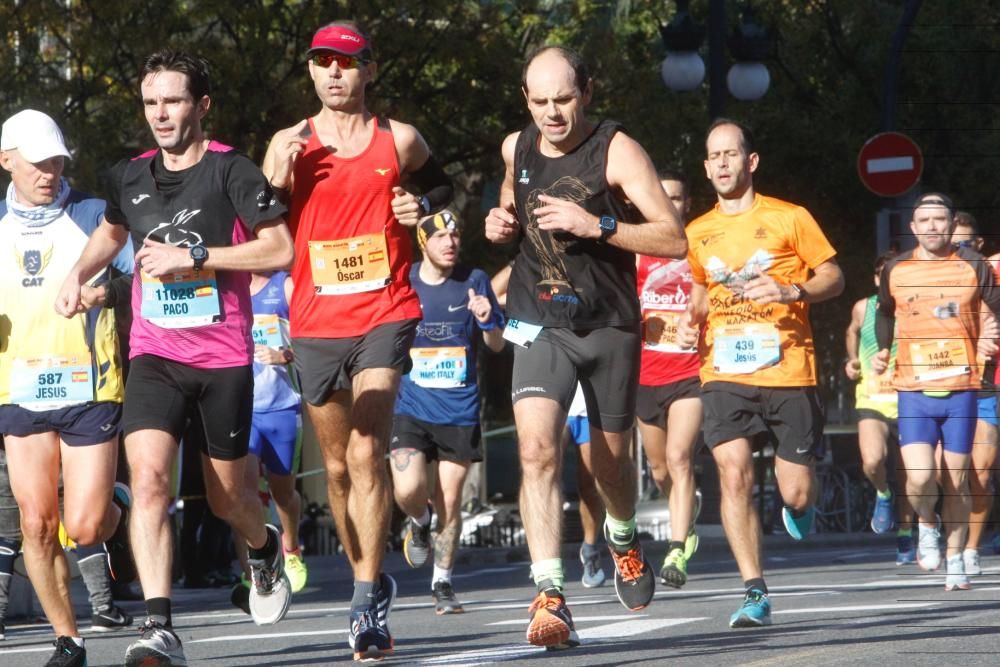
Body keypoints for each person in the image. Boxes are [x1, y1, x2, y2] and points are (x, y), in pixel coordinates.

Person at [55, 50, 295, 666]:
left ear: (201, 106)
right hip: (155, 353)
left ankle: (262, 547)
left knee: (227, 499)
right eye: (151, 102)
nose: (161, 114)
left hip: (223, 359)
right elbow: (112, 232)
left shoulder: (233, 171)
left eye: (174, 101)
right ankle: (159, 626)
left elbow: (279, 248)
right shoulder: (129, 176)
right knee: (152, 483)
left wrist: (196, 260)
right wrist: (77, 273)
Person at [262, 20, 453, 662]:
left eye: (346, 62)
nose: (334, 73)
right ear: (311, 72)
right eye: (322, 63)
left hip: (386, 311)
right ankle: (369, 575)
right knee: (339, 469)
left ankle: (365, 602)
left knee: (370, 452)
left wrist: (420, 210)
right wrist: (274, 181)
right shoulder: (289, 144)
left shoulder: (397, 139)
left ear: (368, 69)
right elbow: (263, 225)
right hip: (315, 321)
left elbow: (443, 188)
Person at [485, 45, 687, 649]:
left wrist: (596, 224)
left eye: (564, 99)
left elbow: (673, 240)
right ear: (526, 99)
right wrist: (500, 224)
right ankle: (548, 593)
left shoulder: (616, 150)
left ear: (587, 93)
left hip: (608, 324)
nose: (552, 113)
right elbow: (510, 208)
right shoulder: (514, 146)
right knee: (538, 451)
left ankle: (623, 537)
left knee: (608, 463)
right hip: (538, 321)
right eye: (540, 101)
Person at [677, 118, 844, 628]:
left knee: (793, 490)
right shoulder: (696, 232)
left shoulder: (790, 218)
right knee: (733, 474)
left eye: (732, 154)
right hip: (724, 370)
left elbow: (833, 276)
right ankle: (754, 590)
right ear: (707, 168)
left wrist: (793, 291)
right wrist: (691, 320)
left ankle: (800, 504)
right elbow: (702, 290)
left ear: (751, 161)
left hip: (788, 369)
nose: (723, 163)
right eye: (714, 156)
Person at [0, 109, 135, 666]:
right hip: (18, 389)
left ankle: (115, 507)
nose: (49, 172)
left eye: (57, 161)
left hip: (89, 384)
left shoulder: (92, 216)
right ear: (7, 160)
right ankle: (68, 639)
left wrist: (107, 293)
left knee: (81, 527)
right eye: (37, 163)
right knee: (36, 523)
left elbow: (142, 272)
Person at [874, 192, 1000, 591]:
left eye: (940, 220)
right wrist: (881, 351)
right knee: (920, 475)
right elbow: (882, 312)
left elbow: (994, 307)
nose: (932, 227)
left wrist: (989, 335)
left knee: (957, 478)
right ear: (912, 227)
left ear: (951, 225)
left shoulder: (973, 265)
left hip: (963, 387)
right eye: (924, 220)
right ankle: (926, 524)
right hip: (913, 389)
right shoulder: (896, 269)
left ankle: (955, 558)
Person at [390, 210, 504, 615]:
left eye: (455, 235)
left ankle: (442, 583)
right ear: (424, 244)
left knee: (451, 499)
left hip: (459, 410)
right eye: (441, 237)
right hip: (412, 407)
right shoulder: (405, 280)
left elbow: (495, 345)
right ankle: (419, 522)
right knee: (407, 490)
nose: (450, 243)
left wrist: (487, 320)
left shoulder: (474, 281)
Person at [635, 170, 704, 589]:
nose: (669, 204)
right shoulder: (637, 251)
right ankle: (685, 517)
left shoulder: (699, 246)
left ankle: (677, 548)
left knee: (680, 458)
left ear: (687, 203)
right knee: (660, 470)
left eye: (677, 198)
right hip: (645, 376)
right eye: (662, 197)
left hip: (690, 373)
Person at [230, 270, 307, 614]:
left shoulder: (284, 285)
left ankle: (290, 548)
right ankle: (252, 569)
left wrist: (284, 355)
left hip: (281, 406)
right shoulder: (226, 285)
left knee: (282, 493)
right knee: (241, 494)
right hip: (241, 410)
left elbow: (310, 336)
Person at [0, 446, 133, 643]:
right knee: (83, 525)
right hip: (55, 448)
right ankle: (103, 607)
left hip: (10, 450)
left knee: (7, 538)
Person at [844, 251, 916, 563]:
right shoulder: (864, 307)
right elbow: (852, 331)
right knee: (872, 461)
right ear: (876, 279)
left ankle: (905, 533)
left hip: (909, 395)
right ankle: (882, 494)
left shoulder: (915, 307)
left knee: (910, 472)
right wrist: (853, 360)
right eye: (883, 275)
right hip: (872, 395)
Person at [951, 215, 999, 575]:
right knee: (945, 472)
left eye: (966, 243)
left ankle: (970, 548)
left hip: (987, 385)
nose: (960, 251)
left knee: (981, 472)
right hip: (945, 386)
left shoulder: (993, 270)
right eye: (955, 244)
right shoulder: (932, 275)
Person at [563, 384, 607, 588]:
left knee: (589, 484)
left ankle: (589, 549)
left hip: (587, 406)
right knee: (544, 477)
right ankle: (547, 562)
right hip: (551, 401)